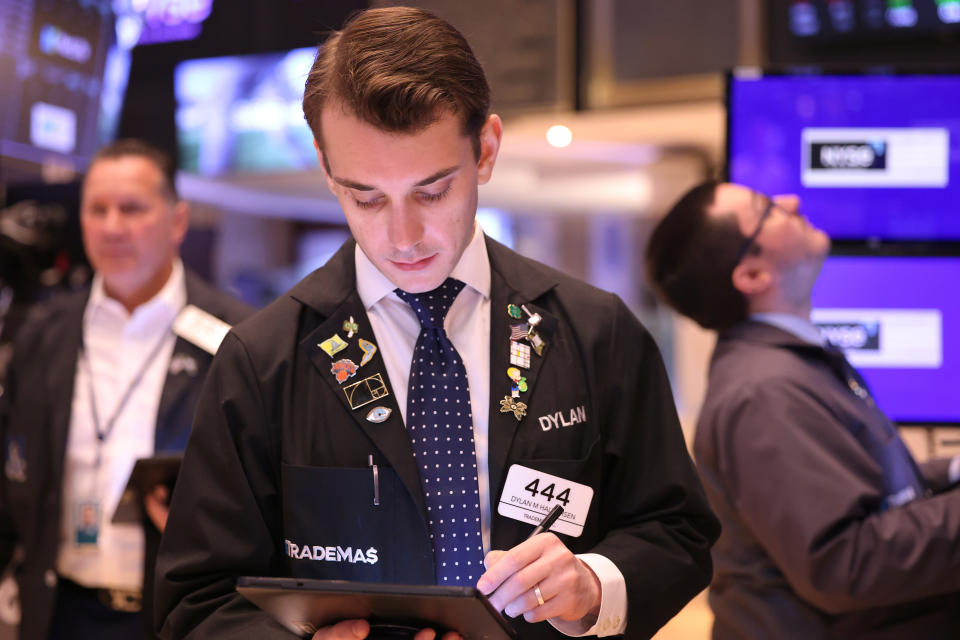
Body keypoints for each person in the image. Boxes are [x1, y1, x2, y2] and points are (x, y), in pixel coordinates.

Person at [155, 7, 719, 640]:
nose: (402, 238)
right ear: (324, 165)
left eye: (432, 191)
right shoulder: (262, 360)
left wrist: (595, 584)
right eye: (365, 197)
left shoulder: (595, 331)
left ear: (485, 149)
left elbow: (678, 531)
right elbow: (195, 601)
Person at [645, 180, 960, 639]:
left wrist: (950, 470)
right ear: (752, 276)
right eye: (766, 209)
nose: (790, 202)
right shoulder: (764, 392)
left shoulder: (786, 365)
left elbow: (876, 492)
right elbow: (845, 563)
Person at [0, 139, 252, 640]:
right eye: (98, 209)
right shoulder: (41, 331)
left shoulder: (238, 338)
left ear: (177, 222)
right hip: (55, 611)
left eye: (132, 208)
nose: (112, 226)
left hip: (177, 616)